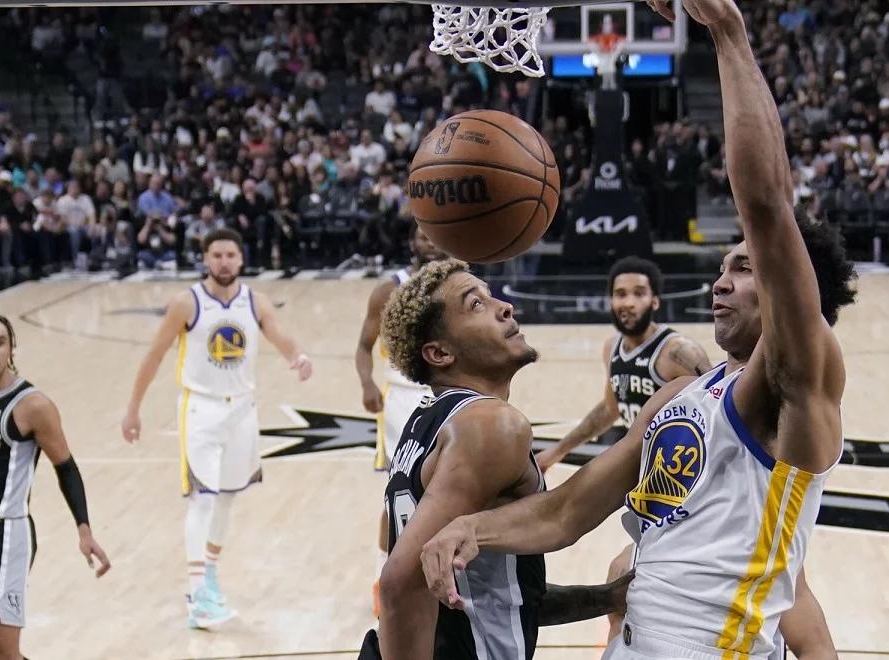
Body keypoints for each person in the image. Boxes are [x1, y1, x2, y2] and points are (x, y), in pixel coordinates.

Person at [422, 1, 854, 657]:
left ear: (792, 294)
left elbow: (767, 205)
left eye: (744, 268)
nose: (719, 281)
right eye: (723, 266)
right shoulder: (681, 394)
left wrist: (728, 34)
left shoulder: (796, 390)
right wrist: (471, 530)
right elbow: (565, 512)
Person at [373, 260, 629, 659]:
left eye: (491, 296)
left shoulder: (426, 422)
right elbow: (399, 584)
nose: (504, 307)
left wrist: (605, 597)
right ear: (439, 352)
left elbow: (493, 599)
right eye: (476, 304)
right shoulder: (491, 425)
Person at [121, 228, 313, 629]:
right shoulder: (186, 303)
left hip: (243, 410)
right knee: (202, 499)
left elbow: (278, 335)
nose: (224, 262)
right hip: (201, 410)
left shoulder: (255, 302)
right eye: (217, 255)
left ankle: (208, 575)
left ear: (241, 259)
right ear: (205, 259)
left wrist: (298, 356)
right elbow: (154, 356)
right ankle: (197, 593)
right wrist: (133, 409)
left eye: (230, 255)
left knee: (227, 497)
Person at [535, 255, 712, 640]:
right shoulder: (612, 349)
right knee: (622, 584)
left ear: (655, 301)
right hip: (651, 490)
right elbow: (609, 409)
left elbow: (722, 416)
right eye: (619, 294)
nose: (627, 302)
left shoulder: (678, 353)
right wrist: (556, 452)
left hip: (690, 490)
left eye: (638, 293)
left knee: (625, 581)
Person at [0, 313, 111, 658]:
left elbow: (66, 468)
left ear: (11, 350)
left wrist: (84, 531)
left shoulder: (32, 406)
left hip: (4, 535)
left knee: (0, 653)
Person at [354, 224, 446, 617]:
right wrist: (367, 383)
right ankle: (382, 578)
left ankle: (441, 577)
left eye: (436, 236)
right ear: (412, 241)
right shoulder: (389, 290)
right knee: (399, 495)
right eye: (423, 236)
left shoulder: (460, 287)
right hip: (402, 398)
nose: (429, 243)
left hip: (447, 395)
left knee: (449, 492)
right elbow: (363, 346)